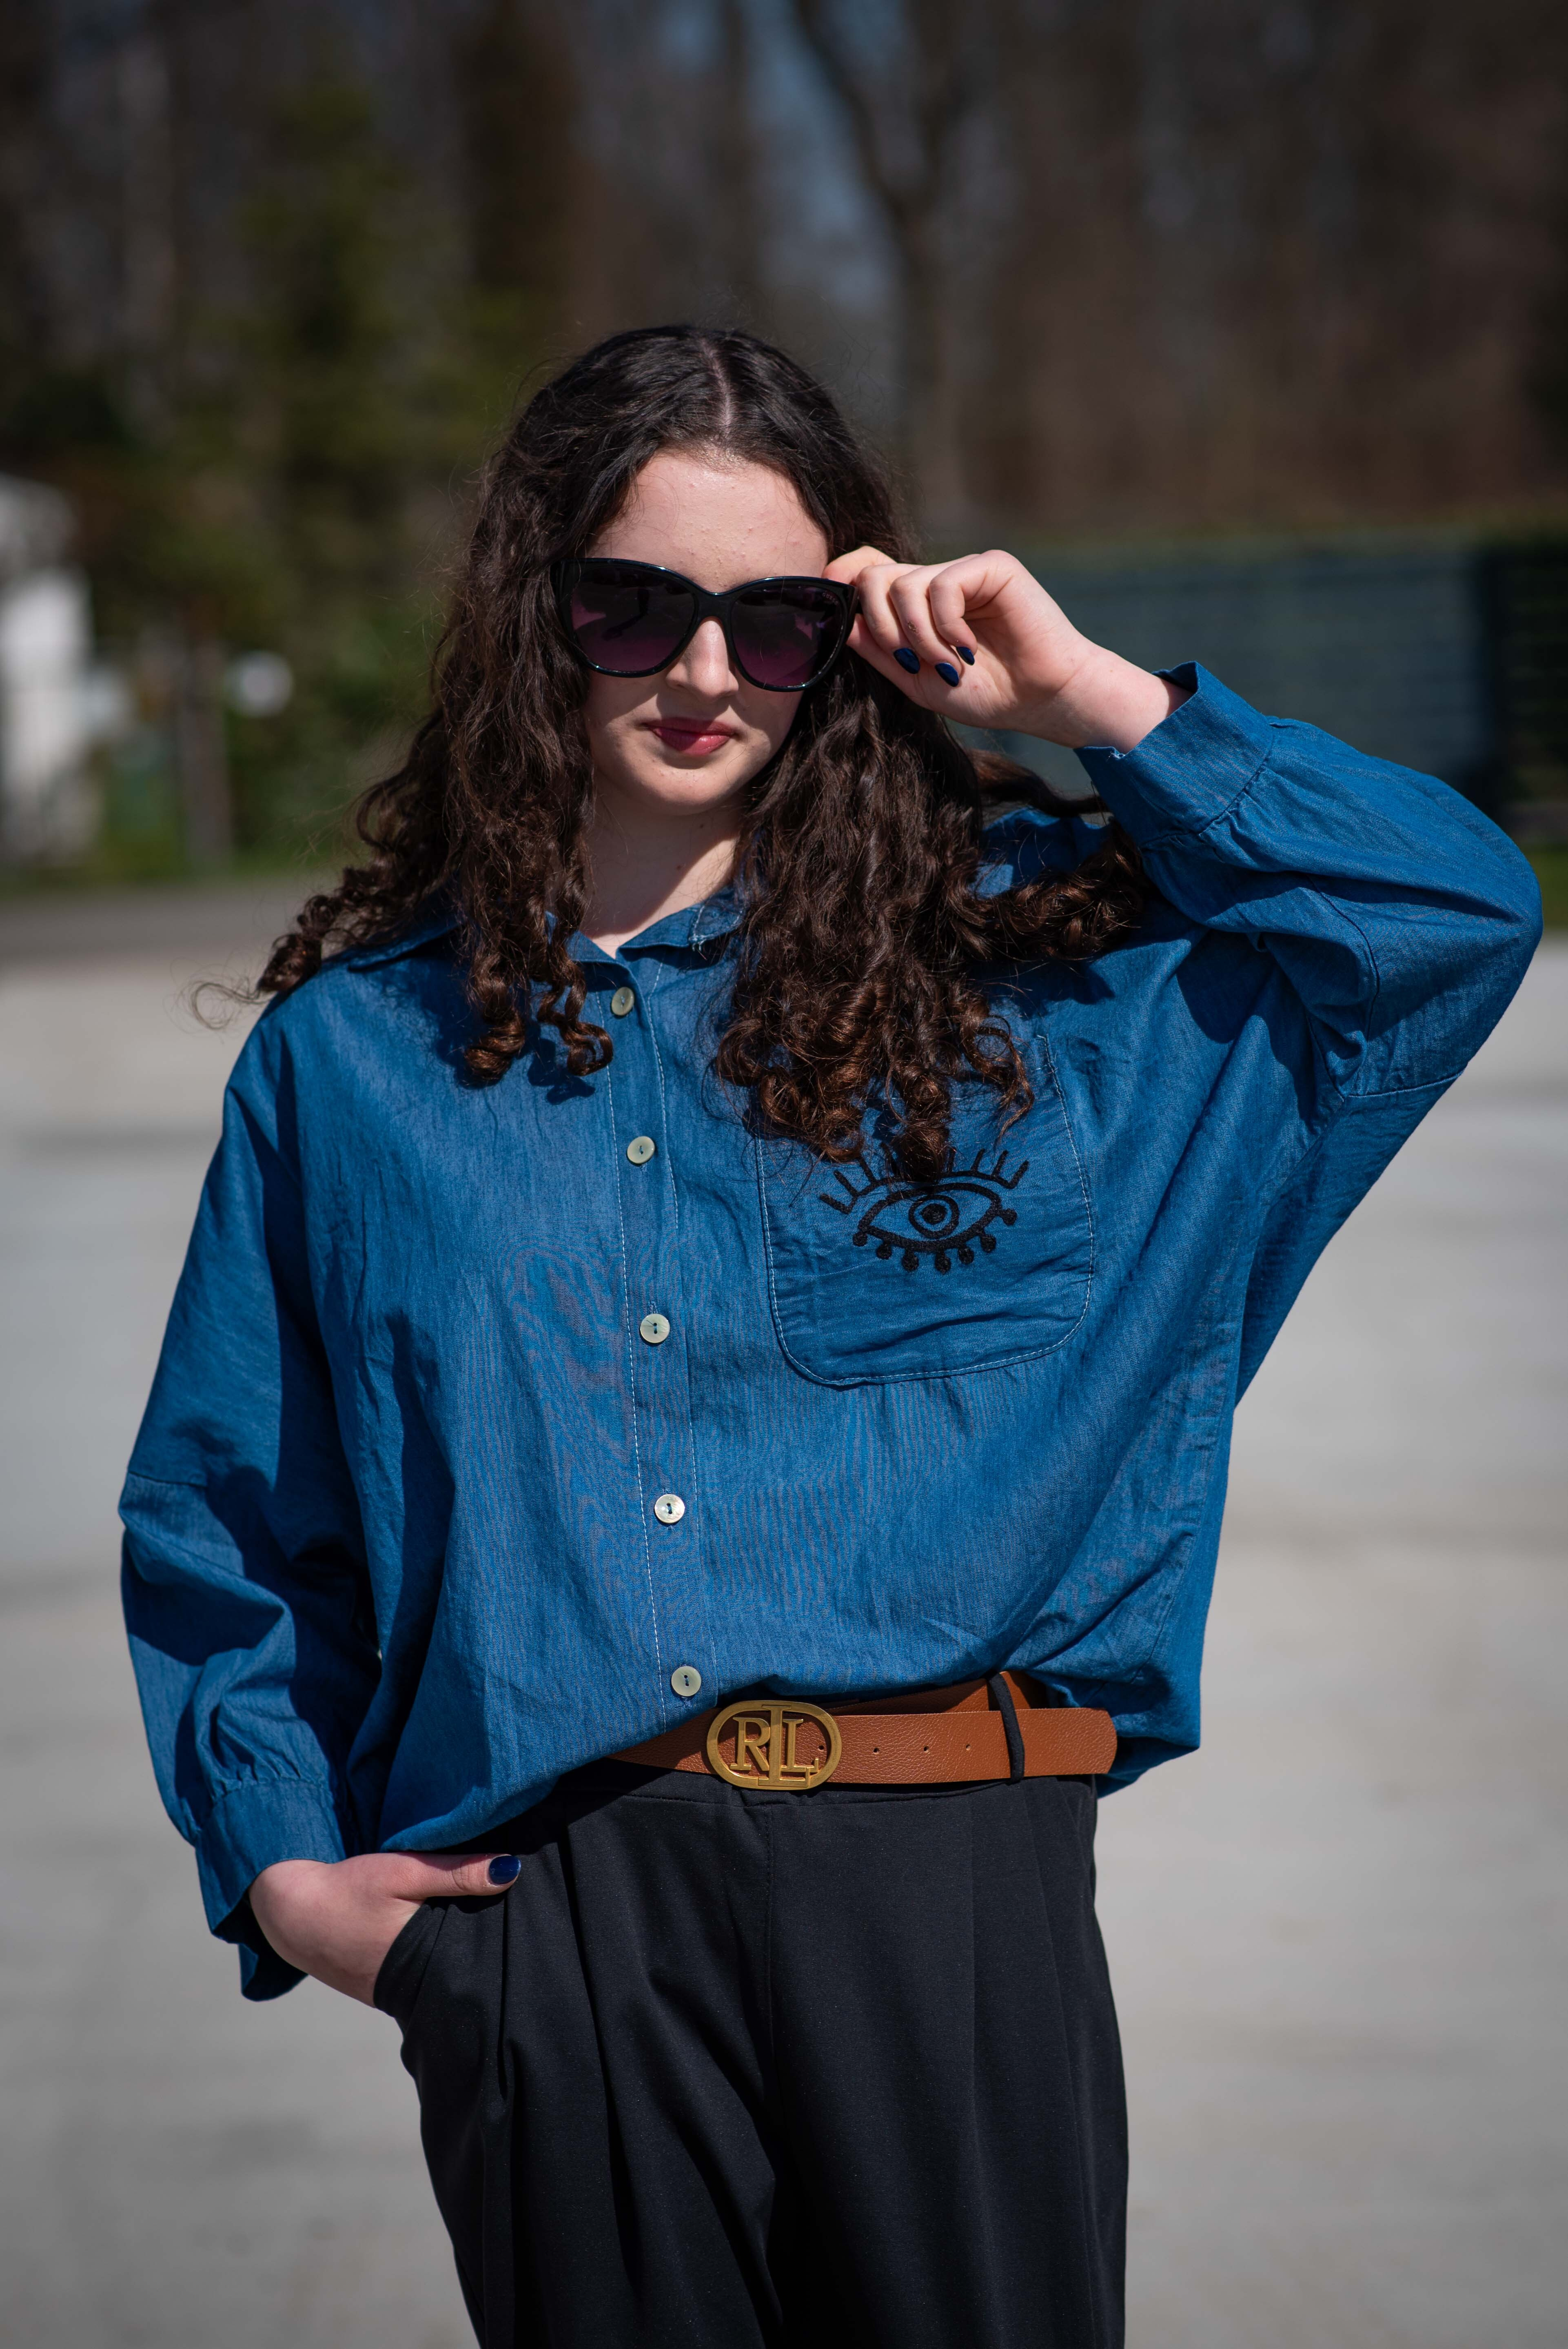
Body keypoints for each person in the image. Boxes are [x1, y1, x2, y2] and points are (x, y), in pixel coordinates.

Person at [120, 326, 1541, 2349]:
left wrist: (1094, 701)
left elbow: (1447, 919)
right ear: (536, 612)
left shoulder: (1053, 994)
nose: (704, 669)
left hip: (948, 1902)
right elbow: (234, 1526)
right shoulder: (350, 1066)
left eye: (776, 621)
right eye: (634, 606)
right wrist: (288, 1875)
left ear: (849, 636)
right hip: (552, 1931)